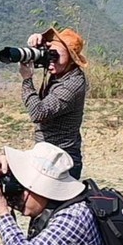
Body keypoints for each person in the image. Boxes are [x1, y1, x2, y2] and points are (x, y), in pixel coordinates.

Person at [18, 26, 89, 178]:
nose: (51, 60)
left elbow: (38, 113)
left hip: (62, 160)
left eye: (55, 56)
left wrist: (27, 80)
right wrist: (38, 45)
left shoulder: (73, 83)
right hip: (46, 154)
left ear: (71, 58)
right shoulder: (60, 73)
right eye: (49, 54)